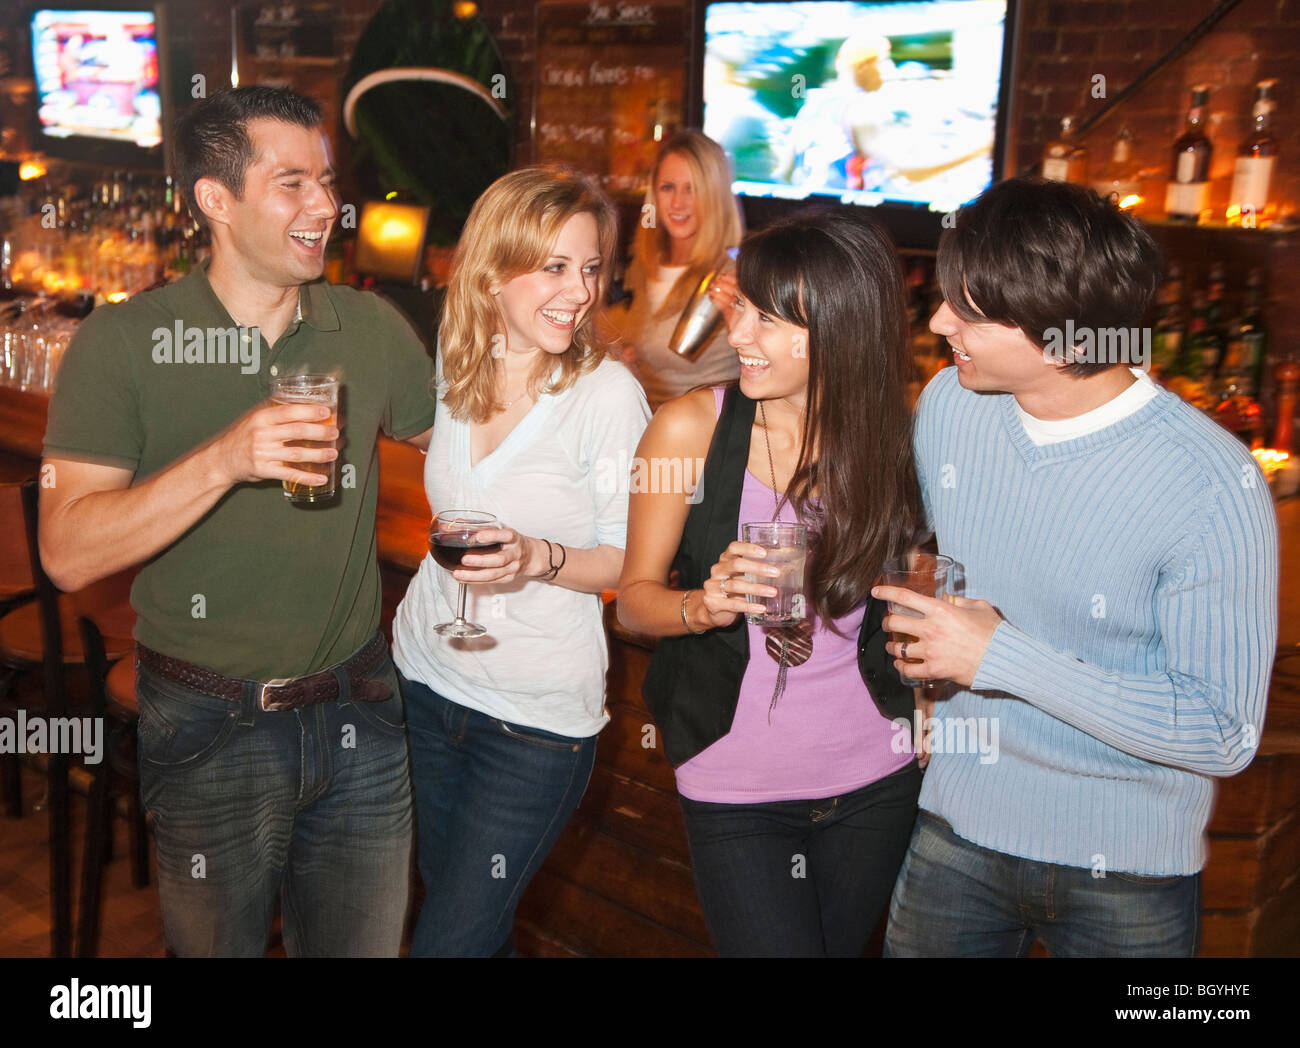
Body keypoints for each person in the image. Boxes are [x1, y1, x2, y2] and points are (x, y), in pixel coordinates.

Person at [39, 86, 437, 957]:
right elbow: (67, 552)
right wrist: (227, 457)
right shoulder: (124, 342)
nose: (326, 206)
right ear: (215, 201)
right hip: (210, 723)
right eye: (292, 183)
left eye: (327, 182)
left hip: (361, 708)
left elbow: (473, 447)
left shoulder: (368, 328)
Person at [878, 177, 1278, 958]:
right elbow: (933, 560)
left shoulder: (1211, 483)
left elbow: (1225, 731)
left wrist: (1003, 657)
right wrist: (929, 678)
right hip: (959, 825)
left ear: (1061, 338)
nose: (938, 321)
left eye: (971, 312)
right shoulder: (951, 407)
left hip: (1129, 871)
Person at [617, 207, 924, 957]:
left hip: (875, 780)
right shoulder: (689, 429)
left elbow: (911, 591)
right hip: (737, 782)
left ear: (842, 328)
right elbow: (632, 604)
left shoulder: (891, 439)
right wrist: (700, 604)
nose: (740, 336)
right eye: (741, 309)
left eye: (768, 319)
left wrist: (929, 697)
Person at [391, 167, 650, 957]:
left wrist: (537, 556)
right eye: (555, 267)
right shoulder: (457, 359)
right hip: (423, 684)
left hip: (532, 723)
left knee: (448, 944)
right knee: (468, 924)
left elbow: (626, 564)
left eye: (590, 268)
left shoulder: (607, 395)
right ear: (493, 271)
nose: (579, 292)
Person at [608, 130, 744, 409]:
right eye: (668, 187)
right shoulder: (646, 265)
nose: (678, 203)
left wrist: (740, 320)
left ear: (715, 196)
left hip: (703, 439)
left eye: (692, 188)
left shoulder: (734, 276)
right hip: (646, 426)